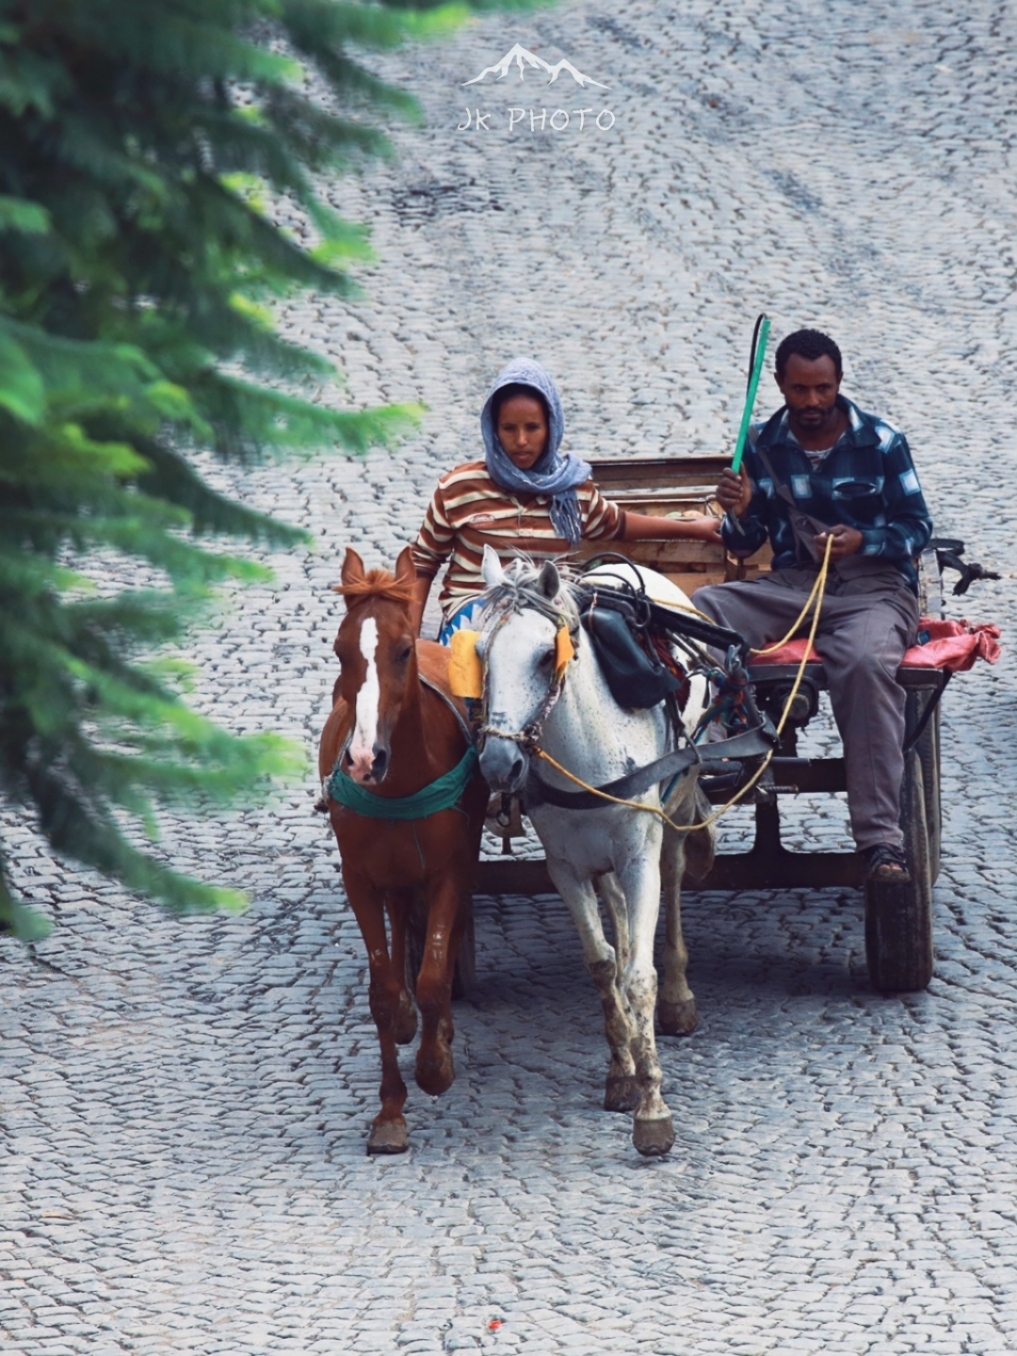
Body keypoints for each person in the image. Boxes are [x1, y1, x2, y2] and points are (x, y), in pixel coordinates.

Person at [693, 328, 933, 883]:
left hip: (874, 589)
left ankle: (881, 844)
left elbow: (916, 527)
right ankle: (731, 734)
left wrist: (862, 543)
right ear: (779, 384)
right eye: (799, 390)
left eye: (822, 389)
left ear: (839, 382)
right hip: (796, 585)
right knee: (704, 609)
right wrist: (739, 511)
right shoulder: (759, 443)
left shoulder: (881, 440)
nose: (811, 402)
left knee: (867, 664)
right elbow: (743, 543)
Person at [410, 357, 721, 640]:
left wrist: (693, 528)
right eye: (508, 428)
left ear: (551, 427)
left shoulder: (573, 491)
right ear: (493, 429)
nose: (521, 441)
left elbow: (619, 524)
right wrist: (409, 642)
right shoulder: (459, 486)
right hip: (473, 618)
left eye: (532, 428)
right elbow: (422, 564)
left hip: (548, 616)